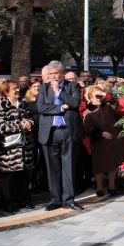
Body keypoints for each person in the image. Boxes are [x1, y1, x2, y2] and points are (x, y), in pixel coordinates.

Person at [37, 61, 84, 211]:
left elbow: (75, 103)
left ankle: (69, 199)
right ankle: (55, 199)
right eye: (50, 74)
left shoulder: (72, 86)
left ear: (62, 73)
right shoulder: (43, 88)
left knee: (68, 166)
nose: (53, 77)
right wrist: (61, 107)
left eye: (55, 73)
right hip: (50, 132)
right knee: (53, 168)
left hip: (67, 131)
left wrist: (58, 92)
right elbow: (41, 108)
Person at [0, 80, 35, 212]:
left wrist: (29, 122)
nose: (17, 90)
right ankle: (7, 203)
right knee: (9, 178)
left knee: (23, 176)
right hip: (9, 149)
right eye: (14, 88)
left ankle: (23, 200)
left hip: (24, 147)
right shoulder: (1, 106)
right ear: (6, 92)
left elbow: (31, 118)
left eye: (17, 88)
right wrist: (20, 125)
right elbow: (1, 126)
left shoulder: (23, 104)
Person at [83, 85, 124, 197]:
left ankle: (111, 185)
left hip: (113, 139)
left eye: (100, 94)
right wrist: (101, 134)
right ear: (90, 96)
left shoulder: (107, 106)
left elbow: (115, 102)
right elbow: (88, 130)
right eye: (96, 95)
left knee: (112, 164)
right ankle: (100, 186)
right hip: (99, 142)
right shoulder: (88, 112)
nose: (99, 97)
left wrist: (105, 95)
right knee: (99, 166)